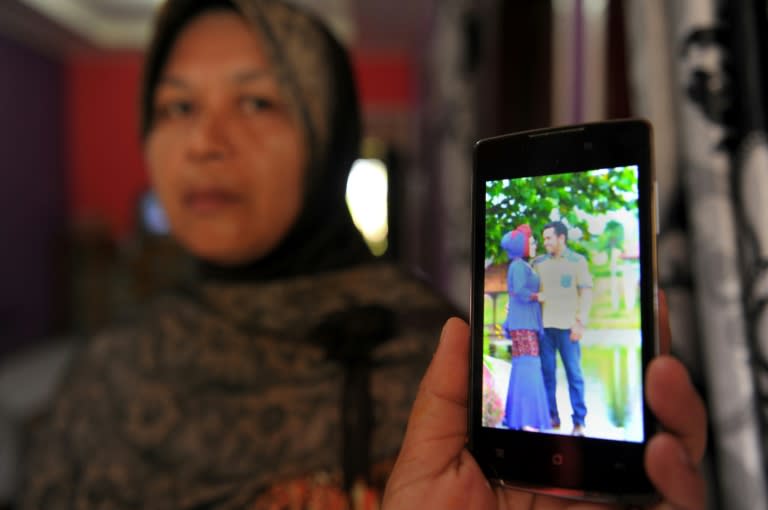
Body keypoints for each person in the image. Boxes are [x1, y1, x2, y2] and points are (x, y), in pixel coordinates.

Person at [16, 1, 457, 508]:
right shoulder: (115, 367)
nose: (203, 143)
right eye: (178, 108)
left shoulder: (442, 361)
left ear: (327, 134)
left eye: (256, 103)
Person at [382, 291, 709, 510]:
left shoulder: (546, 280)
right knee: (550, 377)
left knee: (572, 375)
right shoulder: (529, 282)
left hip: (554, 336)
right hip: (535, 344)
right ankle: (554, 420)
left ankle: (574, 420)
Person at [533, 220, 591, 436]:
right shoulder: (539, 263)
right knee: (547, 374)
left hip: (568, 330)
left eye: (548, 237)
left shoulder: (578, 261)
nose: (545, 242)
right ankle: (551, 416)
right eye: (544, 238)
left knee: (574, 375)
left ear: (561, 238)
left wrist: (580, 322)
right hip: (545, 330)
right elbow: (531, 291)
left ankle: (579, 422)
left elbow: (586, 292)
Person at [499, 225, 550, 431]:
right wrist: (538, 296)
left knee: (525, 365)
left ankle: (519, 417)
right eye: (531, 241)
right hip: (523, 323)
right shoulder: (518, 266)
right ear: (521, 246)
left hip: (524, 321)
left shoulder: (521, 265)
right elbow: (519, 290)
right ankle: (527, 418)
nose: (535, 243)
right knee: (528, 365)